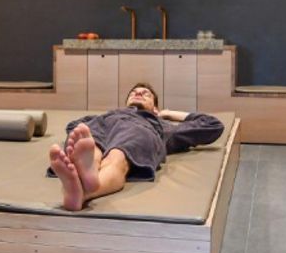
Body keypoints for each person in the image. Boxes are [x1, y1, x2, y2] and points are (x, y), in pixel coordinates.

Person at [48, 83, 224, 211]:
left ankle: (83, 188)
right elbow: (74, 126)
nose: (138, 93)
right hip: (103, 124)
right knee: (90, 142)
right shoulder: (106, 116)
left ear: (155, 108)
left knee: (117, 156)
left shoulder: (163, 126)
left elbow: (213, 125)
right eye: (134, 92)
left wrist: (168, 114)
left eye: (146, 94)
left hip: (141, 128)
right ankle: (87, 173)